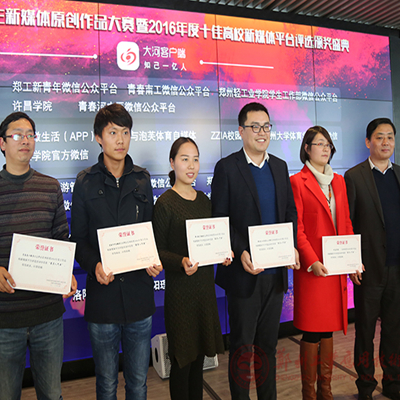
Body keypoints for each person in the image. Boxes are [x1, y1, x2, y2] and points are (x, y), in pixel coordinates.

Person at [0, 111, 77, 400]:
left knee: (52, 394)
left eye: (30, 135)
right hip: (4, 318)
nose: (25, 140)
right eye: (17, 135)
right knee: (5, 395)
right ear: (2, 143)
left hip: (47, 315)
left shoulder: (50, 187)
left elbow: (61, 239)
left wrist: (66, 273)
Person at [70, 103, 162, 400]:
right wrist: (94, 265)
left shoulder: (142, 179)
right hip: (103, 299)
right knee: (107, 384)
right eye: (113, 133)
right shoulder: (85, 182)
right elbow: (78, 239)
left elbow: (150, 231)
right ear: (99, 137)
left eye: (125, 132)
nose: (120, 140)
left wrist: (154, 259)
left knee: (138, 383)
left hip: (139, 297)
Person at [211, 102, 300, 400]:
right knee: (242, 347)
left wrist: (291, 246)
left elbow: (289, 211)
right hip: (244, 274)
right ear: (241, 131)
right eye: (255, 127)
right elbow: (220, 219)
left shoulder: (280, 166)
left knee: (268, 347)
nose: (262, 132)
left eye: (266, 126)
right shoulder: (227, 167)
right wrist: (241, 251)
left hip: (275, 274)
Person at [345, 118, 400, 400]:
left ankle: (393, 385)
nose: (385, 142)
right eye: (379, 137)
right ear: (368, 142)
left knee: (393, 331)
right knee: (365, 332)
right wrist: (352, 262)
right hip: (369, 269)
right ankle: (365, 386)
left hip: (399, 267)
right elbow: (349, 224)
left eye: (390, 137)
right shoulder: (354, 176)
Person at [153, 138, 229, 400]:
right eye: (184, 159)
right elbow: (158, 250)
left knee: (198, 361)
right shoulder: (165, 203)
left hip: (203, 292)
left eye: (195, 159)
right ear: (172, 163)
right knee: (182, 361)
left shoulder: (204, 200)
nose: (191, 165)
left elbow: (213, 239)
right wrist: (180, 261)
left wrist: (223, 253)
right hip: (180, 295)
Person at [290, 126, 355, 400]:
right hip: (313, 271)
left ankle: (325, 391)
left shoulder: (338, 181)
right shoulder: (297, 182)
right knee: (312, 331)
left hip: (336, 268)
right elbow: (298, 229)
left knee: (328, 329)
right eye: (319, 144)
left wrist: (352, 260)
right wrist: (312, 261)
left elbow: (346, 223)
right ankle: (309, 393)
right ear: (307, 148)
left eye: (328, 144)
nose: (325, 148)